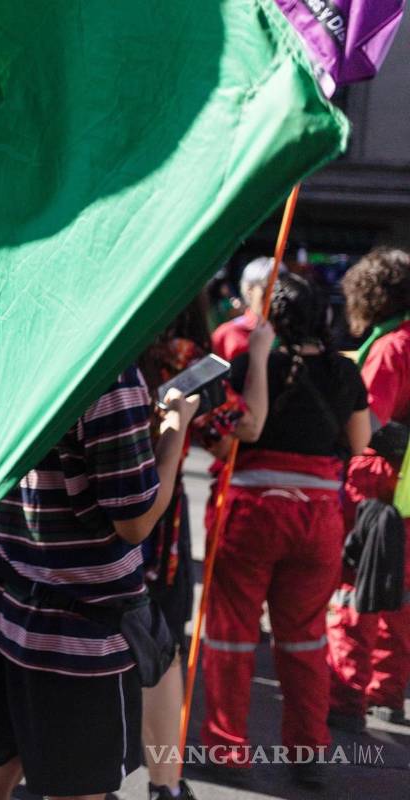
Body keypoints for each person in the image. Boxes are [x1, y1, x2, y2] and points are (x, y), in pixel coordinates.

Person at [0, 367, 200, 800]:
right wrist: (174, 429)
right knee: (76, 791)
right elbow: (135, 521)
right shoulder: (108, 374)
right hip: (78, 633)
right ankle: (168, 787)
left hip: (9, 602)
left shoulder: (8, 352)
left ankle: (167, 785)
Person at [200, 274, 370, 787]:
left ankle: (227, 748)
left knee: (231, 636)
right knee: (304, 639)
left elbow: (226, 436)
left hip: (249, 512)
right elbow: (359, 445)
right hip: (317, 517)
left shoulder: (251, 364)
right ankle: (309, 750)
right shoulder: (344, 372)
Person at [137, 303, 273, 800]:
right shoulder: (182, 355)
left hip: (71, 518)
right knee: (159, 650)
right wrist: (259, 354)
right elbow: (243, 428)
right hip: (153, 524)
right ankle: (164, 783)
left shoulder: (94, 347)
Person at [326, 248, 410, 730]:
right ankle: (387, 692)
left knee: (356, 589)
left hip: (378, 489)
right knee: (399, 593)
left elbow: (368, 423)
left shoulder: (391, 347)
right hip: (405, 492)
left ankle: (346, 697)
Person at [211, 257, 285, 361]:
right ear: (250, 290)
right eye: (268, 290)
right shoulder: (227, 334)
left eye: (281, 291)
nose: (275, 296)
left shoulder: (292, 330)